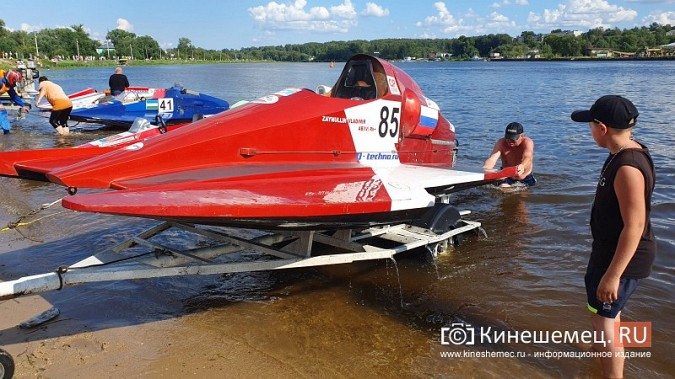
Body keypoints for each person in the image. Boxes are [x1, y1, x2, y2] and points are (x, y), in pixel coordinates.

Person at [571, 95, 656, 378]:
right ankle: (600, 361)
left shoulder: (628, 166)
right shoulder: (620, 153)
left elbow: (635, 225)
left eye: (591, 126)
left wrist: (612, 276)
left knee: (605, 322)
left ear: (602, 128)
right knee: (603, 316)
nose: (590, 131)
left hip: (621, 260)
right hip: (607, 252)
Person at [483, 122, 536, 187]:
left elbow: (528, 157)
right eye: (507, 138)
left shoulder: (527, 142)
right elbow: (492, 159)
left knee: (518, 193)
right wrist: (486, 169)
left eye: (513, 139)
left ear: (522, 136)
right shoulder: (501, 142)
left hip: (525, 178)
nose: (509, 141)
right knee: (502, 186)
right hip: (507, 177)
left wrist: (522, 166)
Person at [0, 69, 30, 134]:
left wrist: (23, 105)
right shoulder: (0, 81)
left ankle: (6, 132)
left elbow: (14, 96)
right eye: (15, 81)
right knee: (2, 111)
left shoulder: (7, 84)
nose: (15, 84)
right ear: (11, 78)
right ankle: (7, 132)